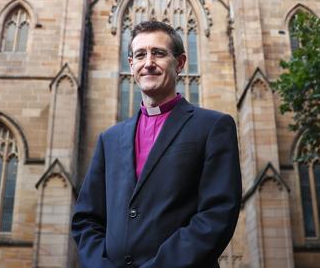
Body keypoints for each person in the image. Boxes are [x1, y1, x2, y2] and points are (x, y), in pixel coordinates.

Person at [71, 21, 241, 268]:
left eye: (158, 53)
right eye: (140, 55)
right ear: (131, 65)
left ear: (180, 63)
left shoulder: (213, 126)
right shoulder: (109, 139)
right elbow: (87, 219)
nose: (148, 62)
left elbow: (217, 214)